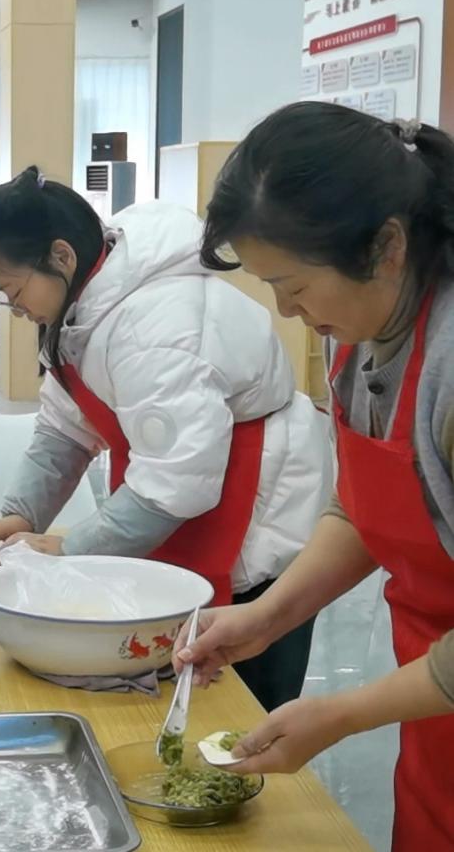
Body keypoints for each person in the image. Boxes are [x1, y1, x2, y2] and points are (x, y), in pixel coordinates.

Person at [178, 101, 454, 850]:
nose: (285, 309)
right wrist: (268, 617)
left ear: (386, 246)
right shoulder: (359, 331)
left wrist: (343, 714)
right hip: (434, 706)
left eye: (294, 285)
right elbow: (365, 508)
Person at [0, 167, 331, 709]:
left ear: (61, 256)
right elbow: (64, 429)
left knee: (239, 694)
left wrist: (69, 550)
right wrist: (22, 514)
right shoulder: (82, 308)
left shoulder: (156, 326)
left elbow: (174, 483)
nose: (15, 310)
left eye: (13, 291)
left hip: (252, 508)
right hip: (173, 489)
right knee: (173, 662)